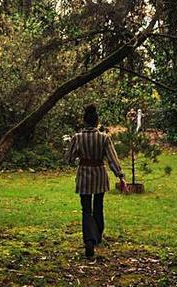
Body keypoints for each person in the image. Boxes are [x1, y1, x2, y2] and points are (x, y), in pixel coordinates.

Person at [65, 104, 126, 259]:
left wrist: (79, 154)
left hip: (84, 174)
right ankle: (97, 236)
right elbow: (112, 159)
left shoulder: (77, 138)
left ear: (84, 122)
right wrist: (121, 176)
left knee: (86, 209)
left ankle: (89, 241)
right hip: (99, 174)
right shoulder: (104, 138)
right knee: (98, 206)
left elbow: (68, 159)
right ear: (97, 122)